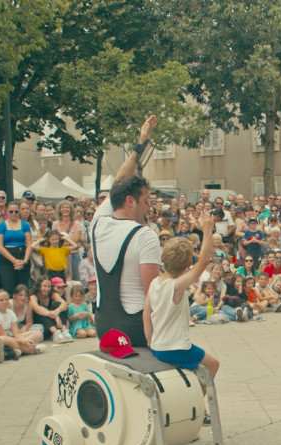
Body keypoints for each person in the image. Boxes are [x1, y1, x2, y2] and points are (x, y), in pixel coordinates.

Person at [143, 211, 219, 425]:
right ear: (187, 266)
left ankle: (190, 399)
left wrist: (150, 341)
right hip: (175, 348)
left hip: (159, 345)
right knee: (212, 365)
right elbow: (204, 262)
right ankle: (195, 404)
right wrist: (207, 230)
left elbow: (146, 313)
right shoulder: (176, 286)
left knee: (194, 368)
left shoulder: (155, 283)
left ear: (162, 258)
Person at [92, 116, 160, 345]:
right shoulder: (144, 235)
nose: (149, 207)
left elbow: (119, 183)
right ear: (130, 202)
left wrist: (140, 145)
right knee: (205, 365)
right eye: (146, 201)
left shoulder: (97, 223)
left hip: (104, 326)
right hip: (135, 328)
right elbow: (153, 293)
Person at [0, 289, 44, 357]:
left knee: (38, 334)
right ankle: (27, 350)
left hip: (9, 336)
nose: (5, 302)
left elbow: (16, 333)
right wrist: (23, 342)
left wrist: (25, 341)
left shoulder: (10, 313)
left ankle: (23, 349)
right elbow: (2, 336)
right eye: (1, 300)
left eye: (6, 299)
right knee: (4, 339)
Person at [0, 200, 32, 293]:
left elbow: (29, 244)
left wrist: (25, 260)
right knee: (9, 287)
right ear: (7, 211)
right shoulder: (2, 225)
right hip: (7, 257)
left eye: (16, 211)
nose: (13, 214)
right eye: (11, 211)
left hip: (22, 255)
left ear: (19, 211)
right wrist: (14, 261)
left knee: (22, 288)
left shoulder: (25, 225)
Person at [30, 278, 72, 343]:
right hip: (41, 326)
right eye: (44, 286)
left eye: (49, 286)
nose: (47, 289)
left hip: (53, 323)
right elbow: (36, 308)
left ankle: (64, 330)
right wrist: (55, 316)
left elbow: (64, 304)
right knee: (42, 309)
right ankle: (56, 333)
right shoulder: (33, 296)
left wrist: (57, 311)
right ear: (39, 286)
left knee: (59, 305)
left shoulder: (52, 294)